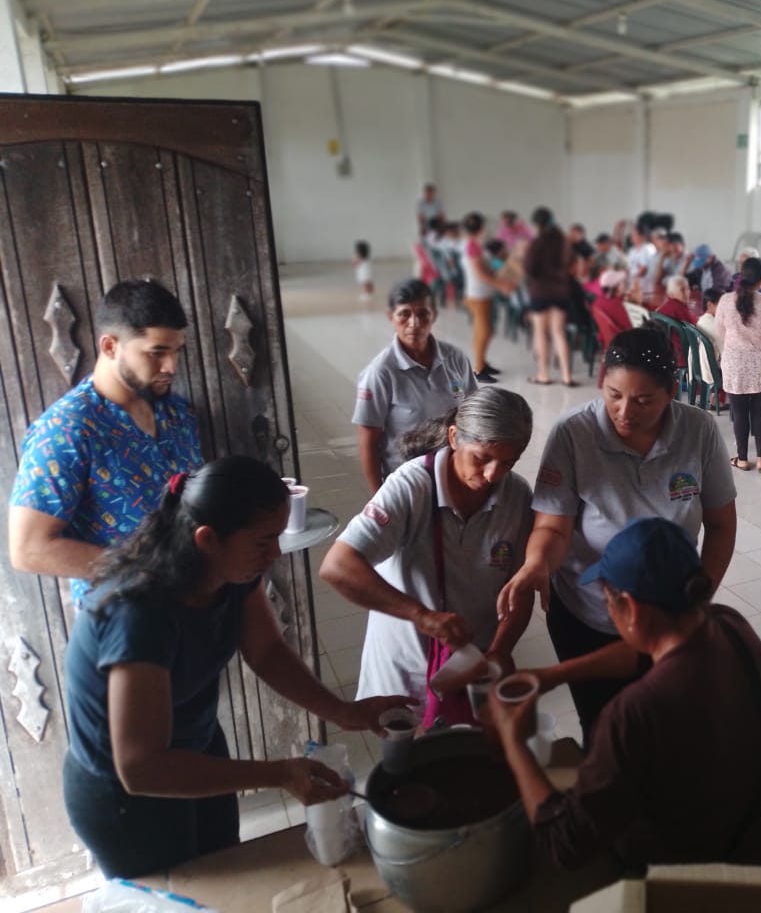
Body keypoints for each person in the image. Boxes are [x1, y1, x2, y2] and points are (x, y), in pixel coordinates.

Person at [62, 456, 409, 879]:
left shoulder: (231, 575)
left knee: (226, 870)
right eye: (264, 541)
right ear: (207, 539)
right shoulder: (139, 613)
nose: (275, 552)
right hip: (123, 793)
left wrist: (343, 712)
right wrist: (280, 774)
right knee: (182, 896)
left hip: (196, 747)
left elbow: (266, 652)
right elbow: (141, 767)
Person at [489, 518, 761, 870]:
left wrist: (514, 741)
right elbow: (642, 652)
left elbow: (564, 844)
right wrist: (555, 675)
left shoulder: (633, 713)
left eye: (607, 599)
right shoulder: (730, 624)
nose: (608, 608)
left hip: (709, 886)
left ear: (632, 609)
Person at [497, 327, 737, 744]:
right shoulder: (574, 433)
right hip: (588, 613)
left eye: (643, 401)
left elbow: (721, 524)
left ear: (672, 391)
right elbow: (553, 525)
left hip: (667, 617)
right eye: (614, 395)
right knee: (603, 725)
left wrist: (696, 601)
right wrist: (537, 563)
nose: (625, 412)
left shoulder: (697, 430)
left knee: (666, 726)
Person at [321, 389, 536, 716]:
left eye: (508, 463)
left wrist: (499, 652)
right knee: (405, 742)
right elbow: (337, 566)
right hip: (403, 672)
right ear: (453, 438)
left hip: (470, 673)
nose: (493, 475)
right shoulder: (412, 486)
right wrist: (422, 616)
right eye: (481, 458)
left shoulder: (516, 496)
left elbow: (520, 589)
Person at [9, 280, 203, 610]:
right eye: (156, 353)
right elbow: (28, 549)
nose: (170, 367)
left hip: (192, 605)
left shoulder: (176, 412)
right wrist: (146, 571)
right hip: (123, 616)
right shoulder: (67, 430)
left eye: (176, 352)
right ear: (110, 346)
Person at [353, 279, 477, 494]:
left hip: (455, 473)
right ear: (391, 317)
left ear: (434, 315)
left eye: (423, 314)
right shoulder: (381, 372)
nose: (414, 323)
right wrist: (379, 496)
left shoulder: (455, 359)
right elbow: (368, 443)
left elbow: (474, 413)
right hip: (408, 483)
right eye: (404, 314)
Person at [717, 258, 761, 473]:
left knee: (739, 413)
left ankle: (741, 459)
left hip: (734, 365)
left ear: (741, 275)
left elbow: (720, 332)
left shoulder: (725, 300)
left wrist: (730, 349)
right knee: (760, 412)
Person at [524, 206, 578, 388]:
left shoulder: (537, 242)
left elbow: (529, 268)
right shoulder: (563, 240)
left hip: (541, 291)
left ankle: (544, 374)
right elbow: (571, 263)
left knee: (541, 333)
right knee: (559, 332)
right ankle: (566, 376)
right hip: (560, 291)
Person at [461, 211, 514, 385]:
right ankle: (478, 369)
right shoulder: (472, 247)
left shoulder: (475, 245)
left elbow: (486, 269)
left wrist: (500, 278)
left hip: (483, 293)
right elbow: (480, 274)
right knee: (483, 331)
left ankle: (482, 363)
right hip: (478, 295)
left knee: (486, 330)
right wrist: (501, 285)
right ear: (481, 227)